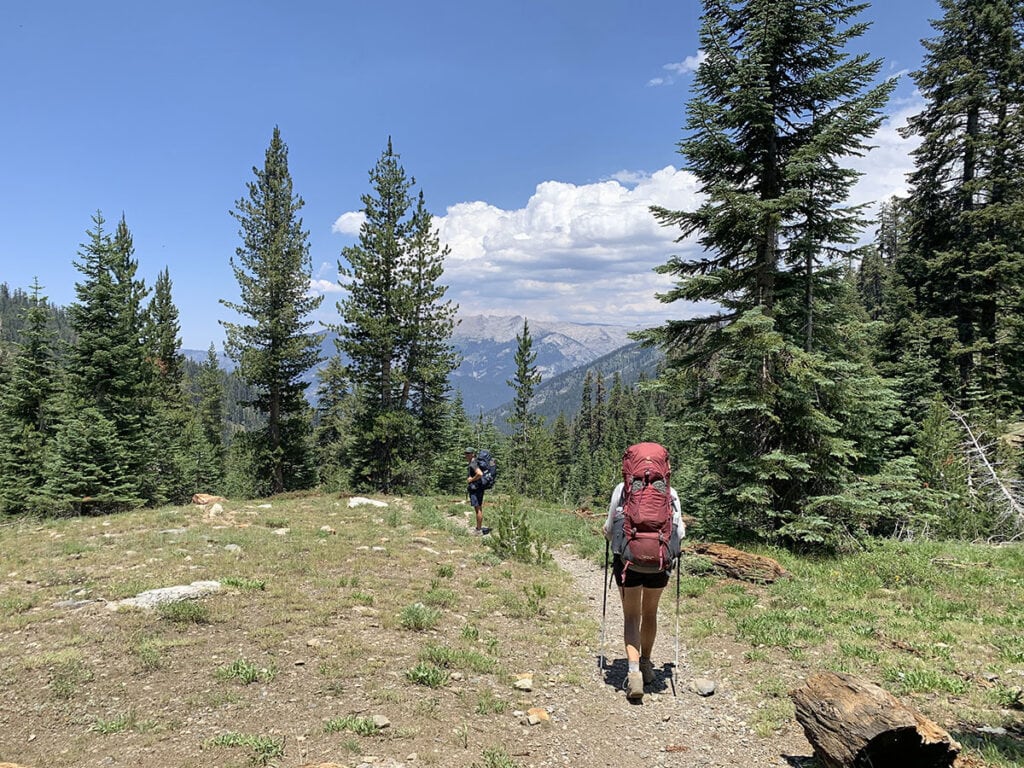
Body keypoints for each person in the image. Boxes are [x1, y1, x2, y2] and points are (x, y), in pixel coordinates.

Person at [603, 477, 683, 701]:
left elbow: (610, 530)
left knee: (631, 616)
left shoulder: (622, 490)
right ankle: (647, 663)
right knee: (650, 613)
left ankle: (634, 672)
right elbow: (680, 533)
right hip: (658, 564)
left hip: (629, 562)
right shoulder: (670, 492)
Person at [464, 447, 490, 535]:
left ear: (473, 454)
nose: (466, 455)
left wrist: (471, 480)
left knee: (478, 509)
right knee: (479, 508)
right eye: (466, 453)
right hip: (479, 487)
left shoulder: (473, 464)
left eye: (468, 453)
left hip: (476, 489)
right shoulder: (476, 462)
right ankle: (478, 527)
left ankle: (478, 530)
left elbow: (479, 473)